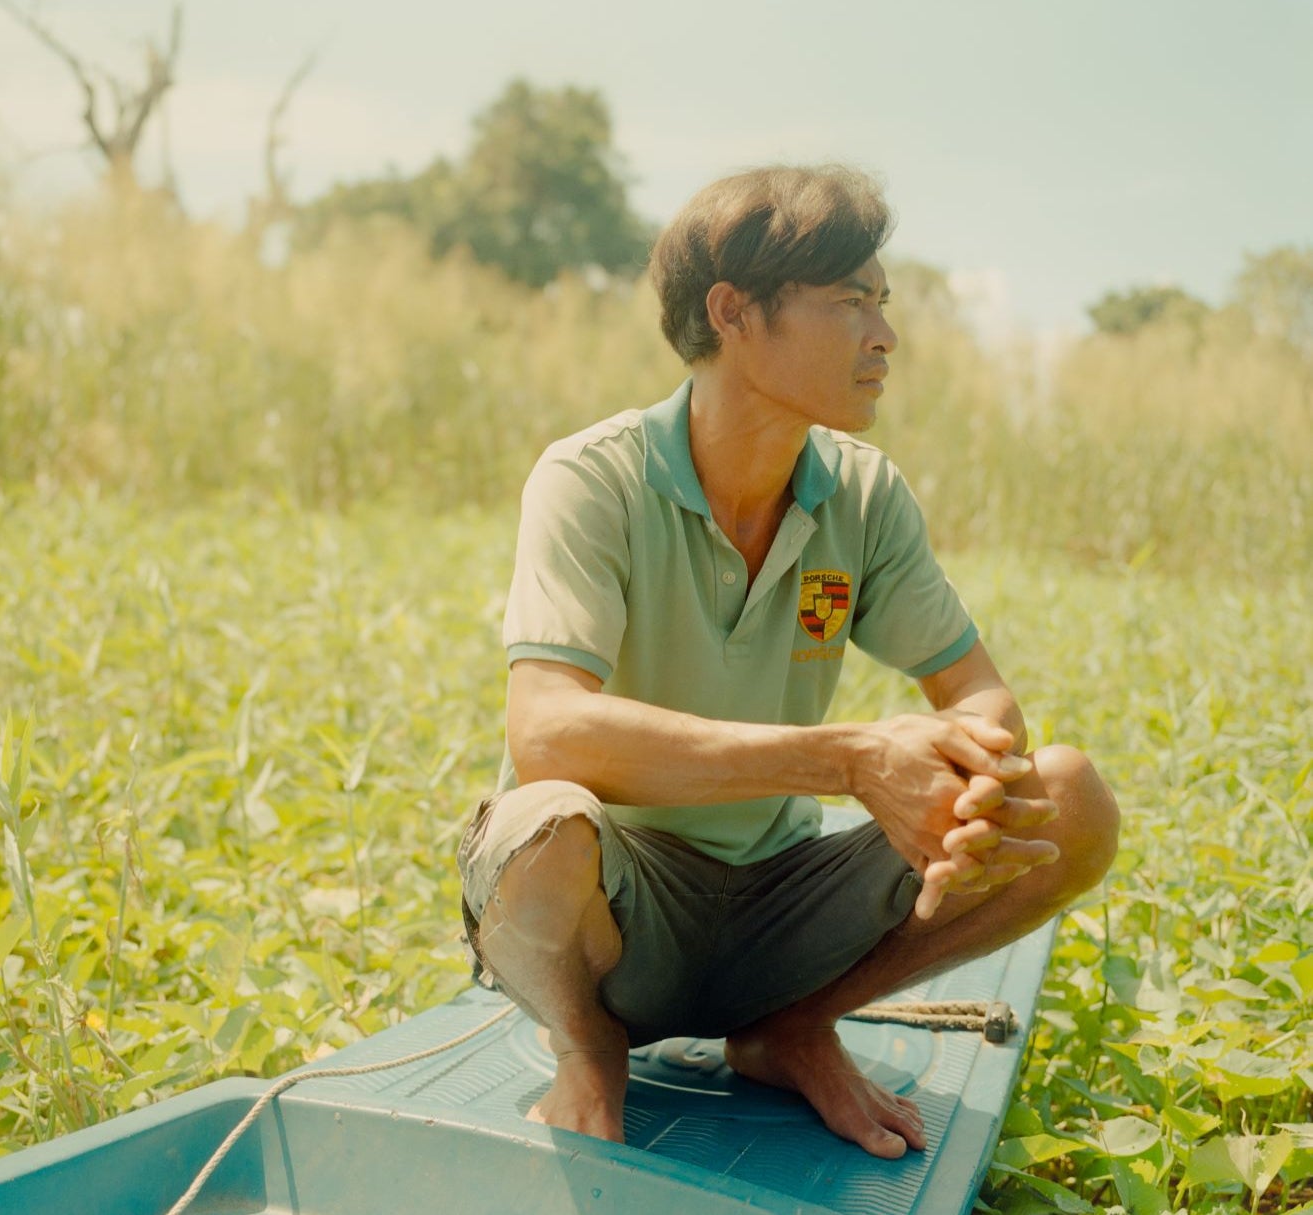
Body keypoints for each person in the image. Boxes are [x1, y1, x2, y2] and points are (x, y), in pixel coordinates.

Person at [455, 164, 1120, 1160]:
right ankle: (589, 1050)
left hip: (779, 907)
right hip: (614, 910)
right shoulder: (591, 478)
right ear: (731, 312)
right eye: (847, 301)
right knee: (543, 821)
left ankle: (788, 1025)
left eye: (880, 304)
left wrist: (975, 771)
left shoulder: (861, 494)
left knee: (1068, 798)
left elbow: (974, 688)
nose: (882, 335)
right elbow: (545, 730)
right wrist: (844, 757)